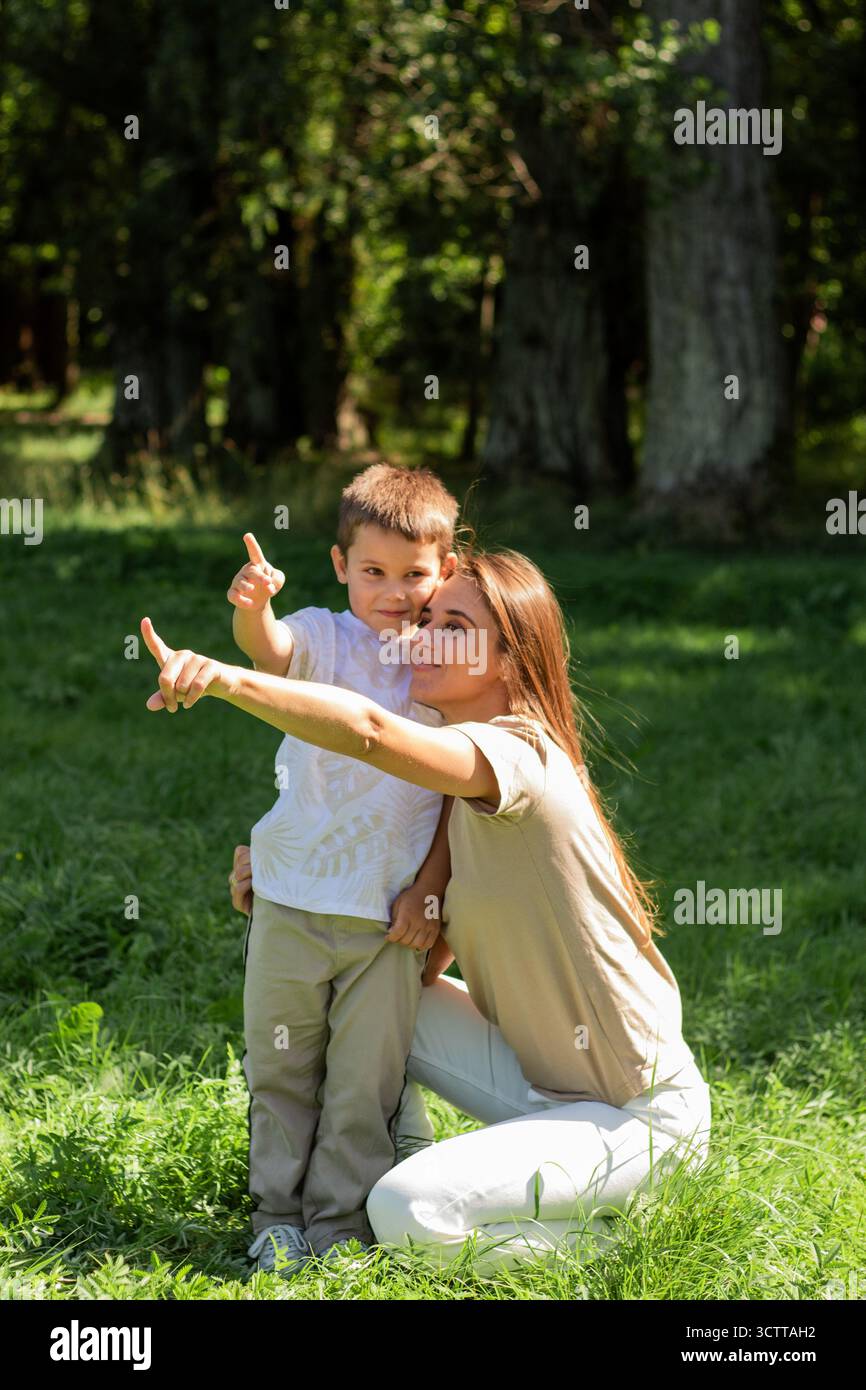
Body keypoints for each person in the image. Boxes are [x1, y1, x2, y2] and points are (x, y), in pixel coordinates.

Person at [140, 546, 712, 1276]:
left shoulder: (518, 755)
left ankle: (620, 1239)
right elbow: (402, 941)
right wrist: (288, 880)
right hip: (541, 1087)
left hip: (639, 1114)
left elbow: (371, 733)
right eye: (428, 618)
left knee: (406, 1215)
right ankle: (387, 1165)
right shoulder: (446, 795)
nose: (422, 636)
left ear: (510, 659)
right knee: (375, 986)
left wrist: (227, 678)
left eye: (454, 625)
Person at [219, 463, 458, 1273]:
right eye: (373, 572)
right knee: (282, 1065)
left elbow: (464, 795)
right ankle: (276, 1216)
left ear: (446, 570)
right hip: (289, 898)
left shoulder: (446, 666)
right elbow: (274, 652)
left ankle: (340, 1226)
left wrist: (430, 894)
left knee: (365, 1083)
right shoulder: (326, 635)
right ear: (339, 566)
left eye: (414, 574)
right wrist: (256, 612)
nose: (393, 592)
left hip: (387, 917)